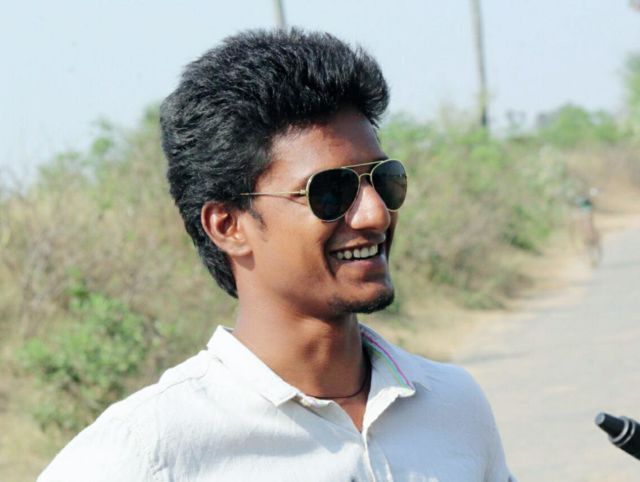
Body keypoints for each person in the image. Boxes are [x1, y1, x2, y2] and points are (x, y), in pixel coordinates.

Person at [39, 29, 515, 481]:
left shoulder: (454, 407)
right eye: (330, 192)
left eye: (383, 180)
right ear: (228, 226)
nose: (374, 214)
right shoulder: (149, 452)